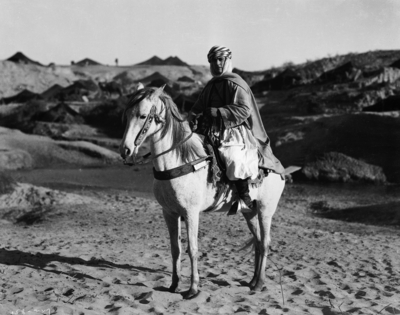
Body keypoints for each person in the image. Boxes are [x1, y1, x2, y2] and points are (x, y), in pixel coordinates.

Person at [188, 45, 285, 213]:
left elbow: (244, 110)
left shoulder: (236, 83)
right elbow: (198, 107)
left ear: (227, 61)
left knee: (233, 158)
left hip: (232, 131)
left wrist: (218, 112)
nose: (217, 63)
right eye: (213, 61)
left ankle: (244, 197)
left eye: (220, 59)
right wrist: (191, 116)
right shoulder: (210, 86)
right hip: (207, 130)